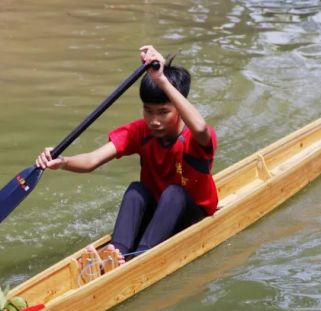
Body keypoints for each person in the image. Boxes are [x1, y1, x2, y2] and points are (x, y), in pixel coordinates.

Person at [36, 45, 218, 265]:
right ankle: (118, 251)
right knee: (136, 190)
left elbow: (200, 127)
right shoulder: (140, 132)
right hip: (158, 212)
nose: (154, 121)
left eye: (163, 112)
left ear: (179, 108)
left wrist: (161, 79)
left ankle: (141, 257)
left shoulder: (195, 138)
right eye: (148, 111)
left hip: (191, 214)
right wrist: (62, 162)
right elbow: (93, 160)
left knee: (174, 193)